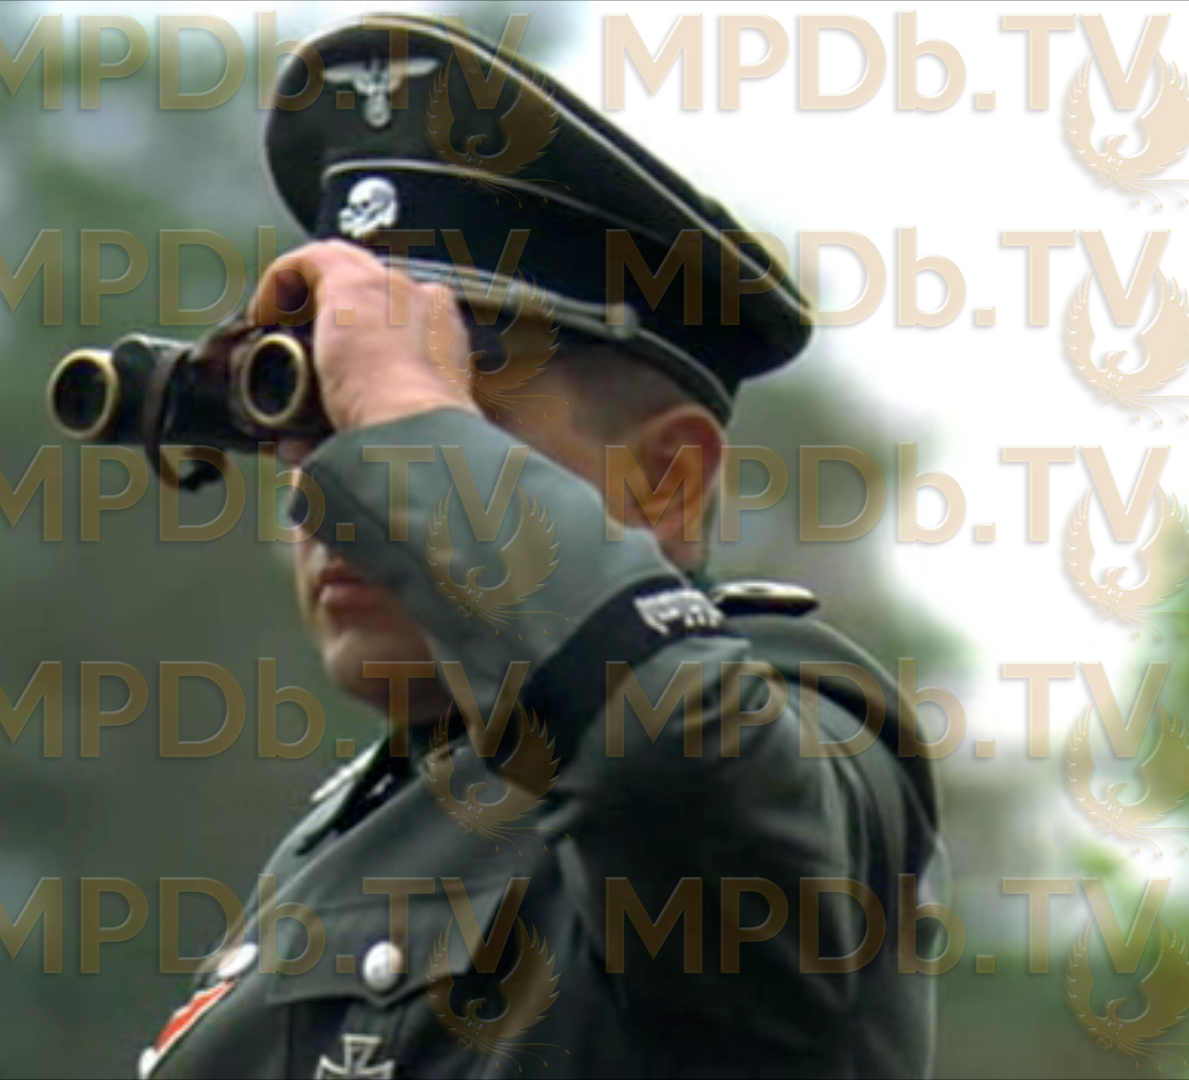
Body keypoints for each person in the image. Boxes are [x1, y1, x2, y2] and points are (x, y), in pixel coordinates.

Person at [135, 14, 941, 1079]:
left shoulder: (797, 725)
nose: (338, 500)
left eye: (446, 423)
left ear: (667, 479)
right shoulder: (362, 821)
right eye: (325, 432)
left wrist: (405, 409)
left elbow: (672, 759)